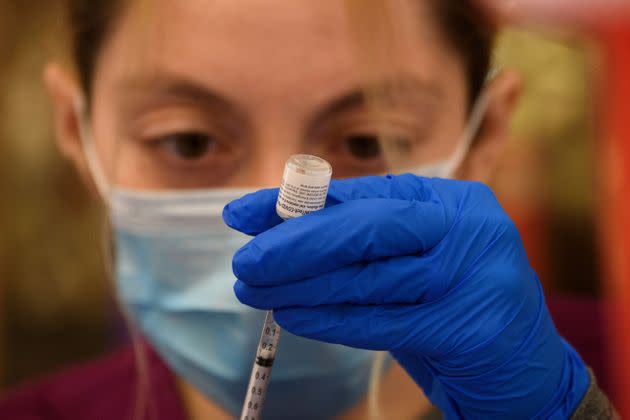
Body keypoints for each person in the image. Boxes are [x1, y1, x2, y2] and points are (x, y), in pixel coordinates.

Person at [0, 0, 616, 418]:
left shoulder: (604, 366)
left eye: (368, 141)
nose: (284, 214)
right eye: (187, 141)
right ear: (75, 132)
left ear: (486, 135)